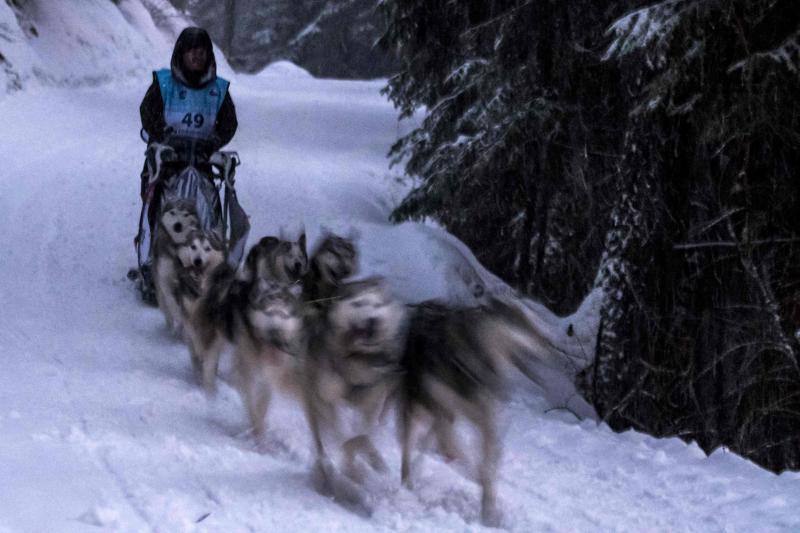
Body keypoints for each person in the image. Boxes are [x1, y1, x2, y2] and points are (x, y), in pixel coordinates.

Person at [135, 27, 238, 303]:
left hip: (202, 159)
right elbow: (148, 114)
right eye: (191, 51)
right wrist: (164, 136)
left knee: (209, 211)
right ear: (181, 53)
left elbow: (229, 123)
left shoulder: (219, 89)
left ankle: (208, 267)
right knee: (157, 207)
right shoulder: (163, 82)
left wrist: (214, 141)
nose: (197, 56)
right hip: (167, 160)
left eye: (202, 51)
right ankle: (150, 264)